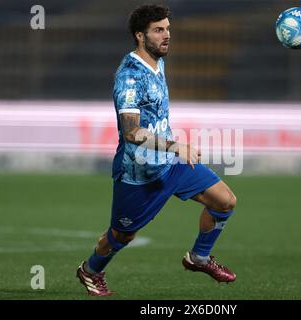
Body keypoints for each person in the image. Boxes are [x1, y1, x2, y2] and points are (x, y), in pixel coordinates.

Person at [76, 4, 237, 297]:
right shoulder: (129, 78)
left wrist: (173, 151)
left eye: (168, 29)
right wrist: (177, 146)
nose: (167, 36)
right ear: (140, 35)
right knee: (121, 235)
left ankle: (199, 258)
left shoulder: (157, 60)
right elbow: (131, 132)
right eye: (159, 30)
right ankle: (90, 270)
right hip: (139, 174)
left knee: (224, 201)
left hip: (170, 165)